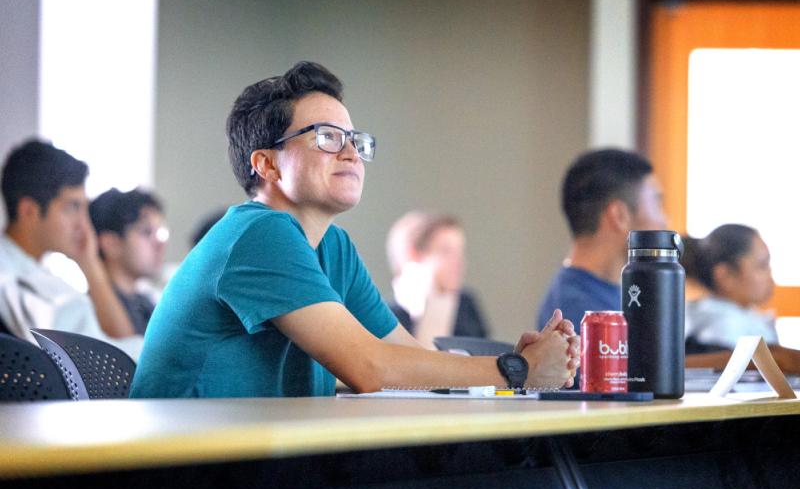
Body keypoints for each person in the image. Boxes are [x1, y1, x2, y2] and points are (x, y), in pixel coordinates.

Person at [131, 61, 578, 398]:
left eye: (354, 140)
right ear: (266, 164)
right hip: (183, 468)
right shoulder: (258, 234)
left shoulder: (332, 246)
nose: (350, 153)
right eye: (326, 137)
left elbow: (410, 359)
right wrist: (516, 369)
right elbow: (370, 368)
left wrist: (512, 365)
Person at [0, 139, 142, 357]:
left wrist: (89, 261)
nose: (84, 224)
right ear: (29, 211)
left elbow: (119, 341)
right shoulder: (12, 278)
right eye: (73, 207)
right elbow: (112, 364)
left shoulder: (36, 273)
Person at [536, 148, 668, 333]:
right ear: (619, 215)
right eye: (657, 203)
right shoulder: (581, 315)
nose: (664, 221)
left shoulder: (613, 296)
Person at [387, 211, 488, 349]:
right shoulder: (389, 317)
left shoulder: (466, 304)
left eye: (460, 252)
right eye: (446, 251)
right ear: (414, 255)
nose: (458, 262)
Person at [89, 188, 168, 335]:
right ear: (111, 244)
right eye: (146, 232)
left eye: (160, 232)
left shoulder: (147, 304)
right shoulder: (86, 311)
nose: (160, 244)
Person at [685, 224, 778, 349]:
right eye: (762, 265)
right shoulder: (723, 327)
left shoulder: (743, 314)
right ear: (726, 275)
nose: (769, 274)